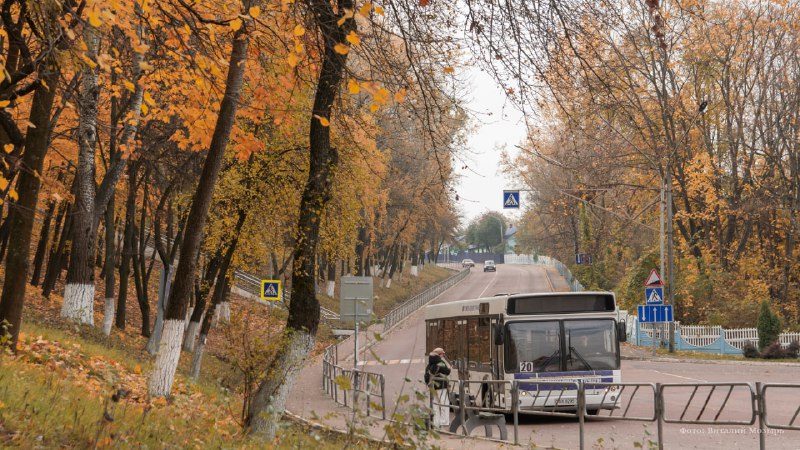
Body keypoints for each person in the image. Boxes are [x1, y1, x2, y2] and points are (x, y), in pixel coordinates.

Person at [425, 347, 451, 427]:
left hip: (432, 387)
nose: (443, 355)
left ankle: (436, 422)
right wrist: (449, 368)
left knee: (435, 404)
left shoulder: (430, 363)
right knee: (444, 404)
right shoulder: (440, 362)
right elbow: (447, 371)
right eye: (442, 354)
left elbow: (426, 375)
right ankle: (444, 422)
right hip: (441, 386)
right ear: (439, 354)